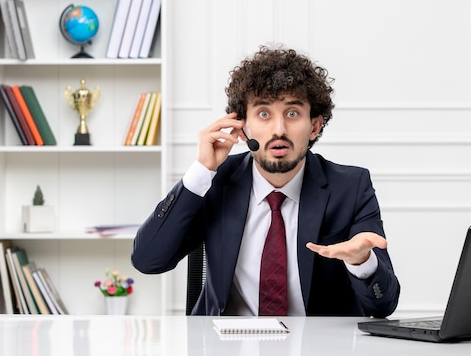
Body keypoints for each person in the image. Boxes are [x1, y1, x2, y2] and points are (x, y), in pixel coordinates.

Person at [131, 45, 400, 317]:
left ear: (315, 127)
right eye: (263, 113)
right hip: (226, 346)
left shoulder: (351, 187)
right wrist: (202, 170)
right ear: (242, 126)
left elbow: (383, 305)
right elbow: (147, 260)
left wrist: (361, 261)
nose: (279, 129)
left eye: (292, 113)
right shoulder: (214, 182)